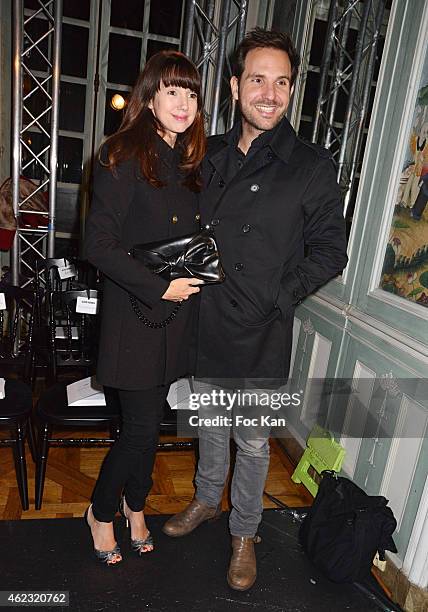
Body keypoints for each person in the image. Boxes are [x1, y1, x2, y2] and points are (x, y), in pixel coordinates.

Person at [162, 28, 348, 590]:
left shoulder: (310, 165)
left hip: (260, 326)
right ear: (237, 84)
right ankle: (204, 502)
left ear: (292, 90)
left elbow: (330, 252)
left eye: (282, 82)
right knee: (212, 424)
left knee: (251, 438)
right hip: (204, 318)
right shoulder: (208, 151)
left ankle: (244, 532)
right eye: (258, 79)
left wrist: (276, 295)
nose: (270, 93)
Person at [83, 51, 205, 565]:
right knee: (137, 430)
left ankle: (137, 507)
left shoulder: (192, 164)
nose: (184, 103)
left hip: (174, 324)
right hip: (135, 318)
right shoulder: (120, 155)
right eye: (173, 91)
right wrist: (161, 286)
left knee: (149, 425)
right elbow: (98, 244)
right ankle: (101, 512)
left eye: (192, 93)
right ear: (150, 96)